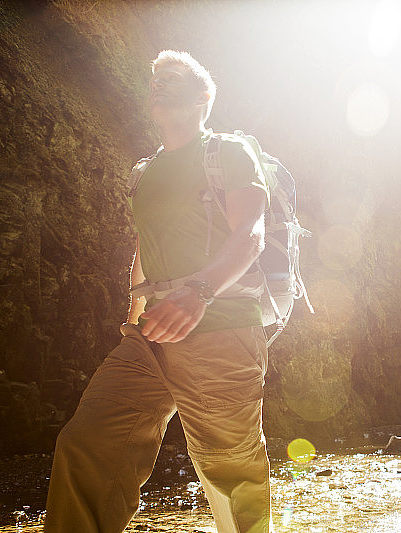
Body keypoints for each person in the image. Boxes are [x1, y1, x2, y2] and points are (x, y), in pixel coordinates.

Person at [45, 50, 272, 533]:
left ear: (204, 97)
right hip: (148, 337)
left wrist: (200, 291)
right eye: (155, 81)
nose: (159, 86)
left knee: (229, 469)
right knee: (88, 441)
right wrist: (135, 313)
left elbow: (251, 234)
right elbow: (145, 249)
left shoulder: (227, 152)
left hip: (221, 328)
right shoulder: (144, 173)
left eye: (172, 79)